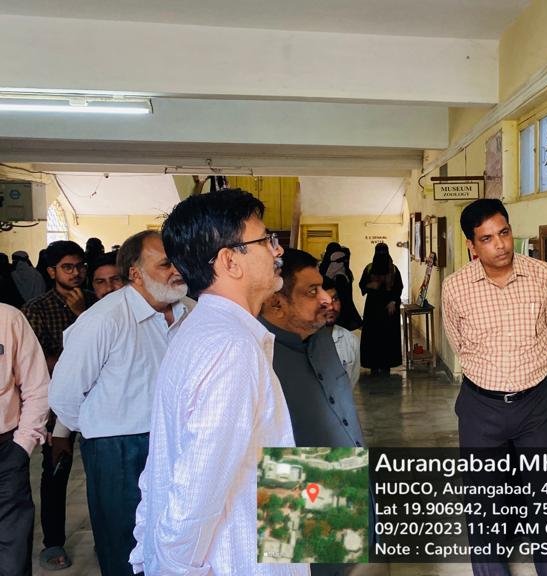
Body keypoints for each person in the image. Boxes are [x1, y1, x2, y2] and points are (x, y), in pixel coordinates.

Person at [129, 188, 307, 576]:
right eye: (266, 241)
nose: (278, 251)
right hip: (234, 558)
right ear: (230, 261)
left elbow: (165, 465)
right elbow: (195, 486)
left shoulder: (206, 330)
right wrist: (174, 567)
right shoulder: (230, 347)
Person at [49, 230, 191, 576]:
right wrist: (106, 428)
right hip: (119, 451)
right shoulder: (103, 320)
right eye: (165, 263)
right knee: (125, 547)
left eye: (179, 261)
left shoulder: (191, 312)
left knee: (175, 540)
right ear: (135, 273)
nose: (178, 270)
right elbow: (64, 395)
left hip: (178, 442)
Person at [440, 198, 547, 576]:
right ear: (472, 245)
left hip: (536, 406)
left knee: (542, 502)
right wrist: (495, 372)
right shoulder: (455, 288)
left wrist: (525, 366)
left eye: (505, 232)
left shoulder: (543, 275)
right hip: (481, 409)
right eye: (488, 238)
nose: (501, 245)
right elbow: (458, 342)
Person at [22, 240, 97, 571]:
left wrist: (83, 316)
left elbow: (106, 354)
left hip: (98, 401)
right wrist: (81, 353)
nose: (77, 273)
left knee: (101, 472)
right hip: (59, 405)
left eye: (80, 266)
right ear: (51, 271)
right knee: (56, 472)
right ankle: (52, 542)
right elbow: (42, 362)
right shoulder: (36, 309)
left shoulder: (95, 303)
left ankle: (106, 537)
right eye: (68, 267)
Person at [260, 248, 364, 448]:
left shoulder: (322, 337)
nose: (327, 300)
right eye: (312, 291)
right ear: (276, 304)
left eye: (322, 288)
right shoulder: (258, 356)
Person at [0, 304, 50, 576]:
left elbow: (37, 387)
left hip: (6, 454)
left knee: (12, 555)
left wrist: (23, 445)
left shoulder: (8, 319)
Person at [359, 243, 402, 376]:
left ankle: (386, 364)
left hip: (389, 308)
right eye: (379, 252)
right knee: (373, 336)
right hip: (373, 308)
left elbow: (399, 287)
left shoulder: (393, 269)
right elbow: (362, 284)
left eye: (383, 252)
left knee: (388, 336)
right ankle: (373, 364)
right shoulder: (369, 268)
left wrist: (393, 301)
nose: (381, 256)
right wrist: (370, 285)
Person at [322, 276, 360, 385]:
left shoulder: (351, 341)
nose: (331, 307)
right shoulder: (303, 343)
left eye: (335, 299)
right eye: (324, 301)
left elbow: (351, 383)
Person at [325, 246, 362, 331]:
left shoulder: (339, 276)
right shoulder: (341, 276)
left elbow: (345, 298)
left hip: (339, 315)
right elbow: (346, 299)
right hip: (339, 315)